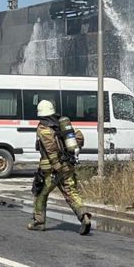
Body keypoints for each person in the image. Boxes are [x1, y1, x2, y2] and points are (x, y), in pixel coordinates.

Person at [28, 99, 93, 235]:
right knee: (71, 193)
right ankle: (84, 216)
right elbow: (77, 140)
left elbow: (50, 150)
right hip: (68, 166)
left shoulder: (43, 128)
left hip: (51, 171)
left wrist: (57, 166)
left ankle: (39, 222)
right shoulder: (62, 123)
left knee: (40, 193)